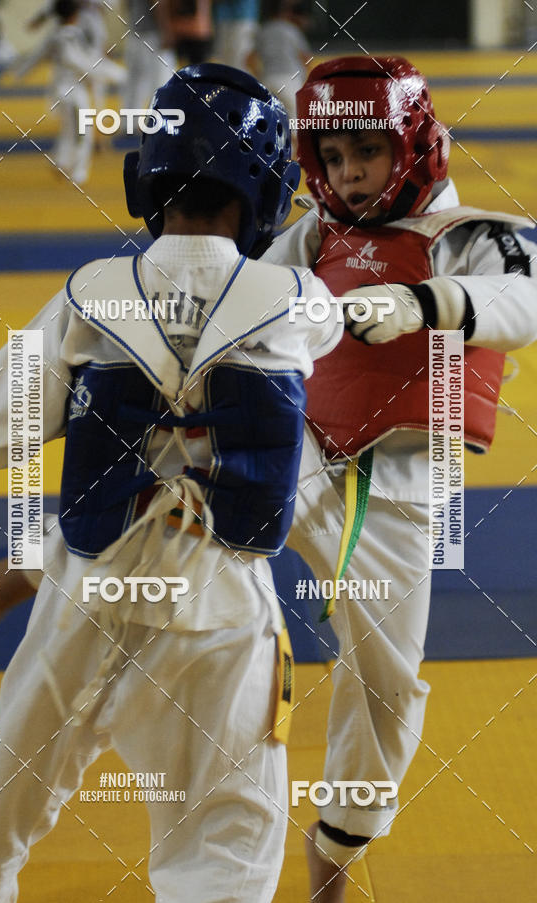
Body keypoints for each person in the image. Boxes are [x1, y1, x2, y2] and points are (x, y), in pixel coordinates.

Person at [0, 64, 343, 903]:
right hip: (223, 615)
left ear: (144, 176)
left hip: (84, 594)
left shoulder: (90, 295)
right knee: (223, 857)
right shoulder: (306, 302)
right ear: (266, 190)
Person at [262, 56, 537, 901]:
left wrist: (430, 304)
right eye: (334, 158)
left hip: (400, 488)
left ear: (412, 146)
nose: (347, 175)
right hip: (298, 450)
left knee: (384, 685)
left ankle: (336, 851)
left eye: (366, 155)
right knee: (184, 517)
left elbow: (527, 301)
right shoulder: (318, 232)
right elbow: (255, 294)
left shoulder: (474, 233)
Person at [20, 0, 124, 182]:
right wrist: (118, 74)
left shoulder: (55, 36)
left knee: (70, 130)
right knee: (83, 132)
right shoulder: (72, 37)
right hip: (74, 92)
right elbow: (85, 64)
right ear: (76, 15)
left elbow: (37, 56)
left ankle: (62, 162)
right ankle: (79, 172)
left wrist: (21, 72)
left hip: (60, 91)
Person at [247, 0, 310, 120]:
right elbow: (307, 59)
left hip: (268, 80)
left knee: (270, 123)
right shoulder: (292, 29)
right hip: (291, 80)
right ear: (285, 12)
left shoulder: (262, 31)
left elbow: (249, 59)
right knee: (295, 128)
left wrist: (260, 76)